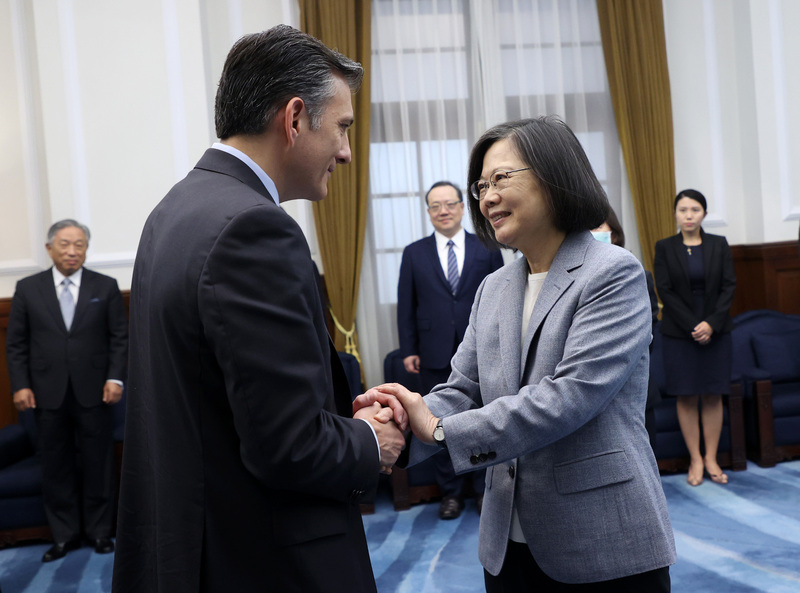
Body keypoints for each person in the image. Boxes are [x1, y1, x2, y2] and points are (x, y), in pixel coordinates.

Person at [112, 26, 405, 593]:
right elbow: (289, 445)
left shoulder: (173, 209)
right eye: (342, 127)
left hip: (190, 543)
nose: (346, 152)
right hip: (259, 558)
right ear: (294, 119)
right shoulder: (255, 227)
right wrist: (373, 440)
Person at [358, 116, 676, 591]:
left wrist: (441, 428)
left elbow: (569, 397)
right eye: (480, 185)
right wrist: (401, 422)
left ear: (554, 177)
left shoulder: (613, 273)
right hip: (506, 546)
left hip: (603, 542)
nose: (485, 198)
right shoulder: (494, 287)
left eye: (501, 179)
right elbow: (462, 389)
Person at [6, 219, 127, 562]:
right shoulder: (29, 288)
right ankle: (64, 536)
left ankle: (101, 533)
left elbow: (119, 338)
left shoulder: (105, 286)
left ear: (86, 249)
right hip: (45, 393)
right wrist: (21, 385)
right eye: (65, 245)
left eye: (79, 245)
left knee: (99, 464)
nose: (72, 252)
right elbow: (16, 344)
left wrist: (116, 379)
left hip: (96, 392)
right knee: (55, 466)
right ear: (50, 248)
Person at [397, 180, 504, 519]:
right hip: (433, 352)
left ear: (461, 207)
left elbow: (506, 298)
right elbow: (406, 306)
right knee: (438, 423)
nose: (443, 211)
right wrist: (408, 349)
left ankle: (483, 492)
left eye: (449, 204)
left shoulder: (487, 245)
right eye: (435, 206)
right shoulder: (414, 253)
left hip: (484, 350)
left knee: (484, 421)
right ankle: (451, 494)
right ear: (428, 212)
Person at [653, 189, 736, 487]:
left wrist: (711, 324)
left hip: (716, 331)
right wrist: (694, 325)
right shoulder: (664, 247)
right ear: (675, 214)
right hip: (679, 333)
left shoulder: (718, 244)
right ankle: (695, 459)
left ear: (704, 214)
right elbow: (665, 290)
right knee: (686, 396)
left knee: (713, 394)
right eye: (683, 210)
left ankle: (711, 457)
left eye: (695, 210)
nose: (688, 215)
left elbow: (729, 286)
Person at [592, 208, 661, 452]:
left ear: (614, 232)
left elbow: (649, 330)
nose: (594, 233)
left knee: (644, 453)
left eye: (599, 226)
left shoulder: (639, 274)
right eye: (588, 229)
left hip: (634, 380)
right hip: (593, 384)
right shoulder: (578, 280)